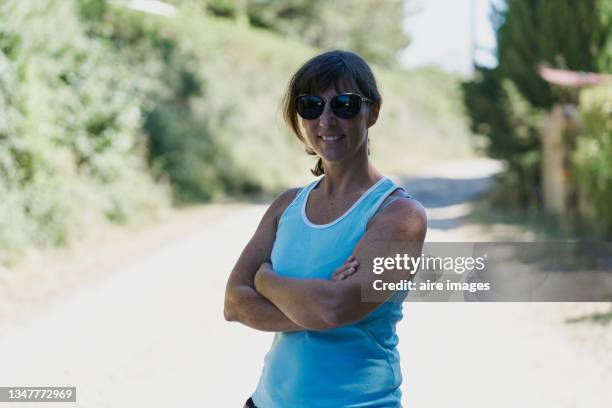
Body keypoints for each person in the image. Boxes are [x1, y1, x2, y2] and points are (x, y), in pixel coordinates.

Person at [224, 49, 427, 408]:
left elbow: (333, 309)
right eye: (312, 105)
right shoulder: (287, 206)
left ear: (372, 112)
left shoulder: (399, 214)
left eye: (345, 105)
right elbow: (234, 303)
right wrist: (311, 304)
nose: (327, 120)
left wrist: (265, 280)